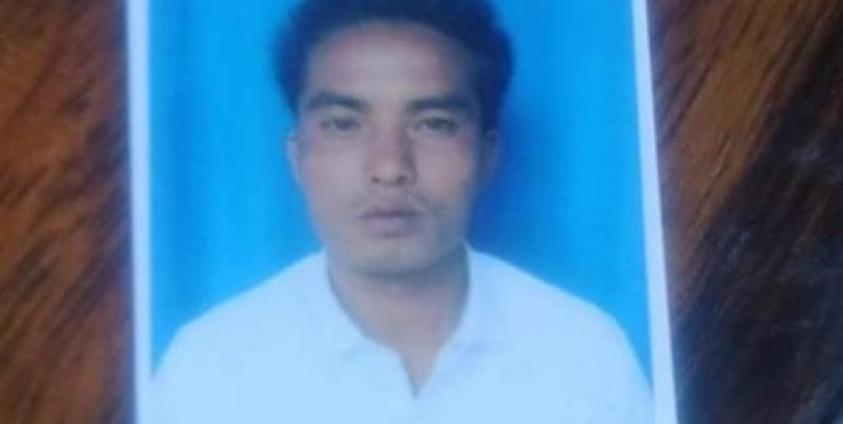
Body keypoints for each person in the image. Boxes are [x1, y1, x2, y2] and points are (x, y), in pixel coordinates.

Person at [152, 0, 652, 422]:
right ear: (297, 157)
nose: (390, 167)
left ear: (486, 156)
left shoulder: (587, 356)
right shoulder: (211, 368)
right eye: (343, 124)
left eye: (433, 124)